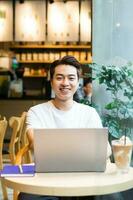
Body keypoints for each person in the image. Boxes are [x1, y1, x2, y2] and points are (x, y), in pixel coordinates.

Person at [18, 55, 111, 200]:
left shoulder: (89, 113)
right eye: (59, 77)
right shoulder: (36, 111)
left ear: (78, 81)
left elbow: (105, 149)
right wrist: (83, 151)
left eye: (71, 78)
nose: (65, 83)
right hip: (46, 182)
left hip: (85, 181)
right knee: (27, 198)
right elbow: (36, 144)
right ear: (51, 80)